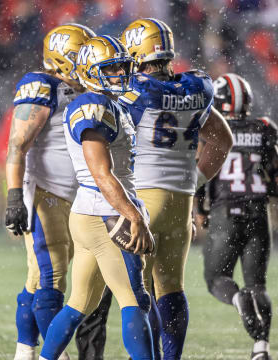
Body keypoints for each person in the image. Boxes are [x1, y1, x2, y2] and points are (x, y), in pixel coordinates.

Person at [118, 18, 234, 359]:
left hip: (142, 201)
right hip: (181, 202)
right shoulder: (194, 88)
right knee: (170, 289)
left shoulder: (133, 91)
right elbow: (222, 140)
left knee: (135, 295)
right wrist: (195, 183)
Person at [38, 35, 155, 360]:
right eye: (110, 68)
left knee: (79, 304)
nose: (119, 73)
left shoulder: (107, 102)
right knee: (135, 300)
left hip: (90, 212)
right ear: (89, 71)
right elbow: (102, 174)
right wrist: (133, 215)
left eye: (121, 66)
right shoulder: (93, 106)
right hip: (107, 213)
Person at [4, 24, 96, 360]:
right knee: (52, 275)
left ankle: (24, 350)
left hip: (72, 194)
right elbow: (18, 144)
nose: (87, 61)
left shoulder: (81, 86)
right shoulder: (41, 85)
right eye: (81, 54)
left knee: (36, 277)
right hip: (45, 191)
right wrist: (15, 195)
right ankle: (55, 355)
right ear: (62, 58)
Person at [196, 73, 278, 360]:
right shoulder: (265, 128)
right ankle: (261, 348)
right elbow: (275, 174)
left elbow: (202, 171)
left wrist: (199, 210)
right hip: (258, 212)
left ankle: (237, 298)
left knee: (217, 278)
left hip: (225, 212)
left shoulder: (213, 128)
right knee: (258, 285)